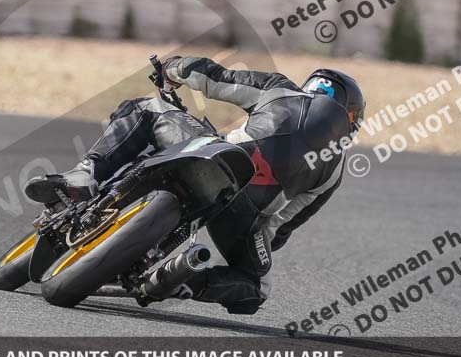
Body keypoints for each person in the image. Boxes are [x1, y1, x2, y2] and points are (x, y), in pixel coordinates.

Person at [25, 56, 366, 315]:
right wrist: (251, 240)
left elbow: (213, 77)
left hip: (213, 156)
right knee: (257, 287)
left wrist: (171, 69)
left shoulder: (281, 89)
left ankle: (85, 174)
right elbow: (280, 229)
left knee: (147, 109)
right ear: (352, 118)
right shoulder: (334, 171)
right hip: (244, 213)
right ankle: (178, 280)